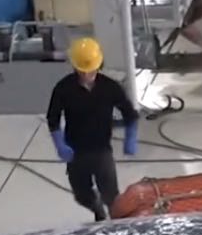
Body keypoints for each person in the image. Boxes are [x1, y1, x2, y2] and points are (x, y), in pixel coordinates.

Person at [46, 37, 139, 222]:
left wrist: (130, 138)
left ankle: (117, 223)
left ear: (98, 65)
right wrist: (60, 144)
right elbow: (53, 118)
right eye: (82, 70)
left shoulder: (110, 88)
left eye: (90, 69)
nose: (86, 73)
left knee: (111, 195)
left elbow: (130, 114)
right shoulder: (64, 89)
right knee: (81, 195)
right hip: (75, 152)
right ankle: (97, 209)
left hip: (101, 150)